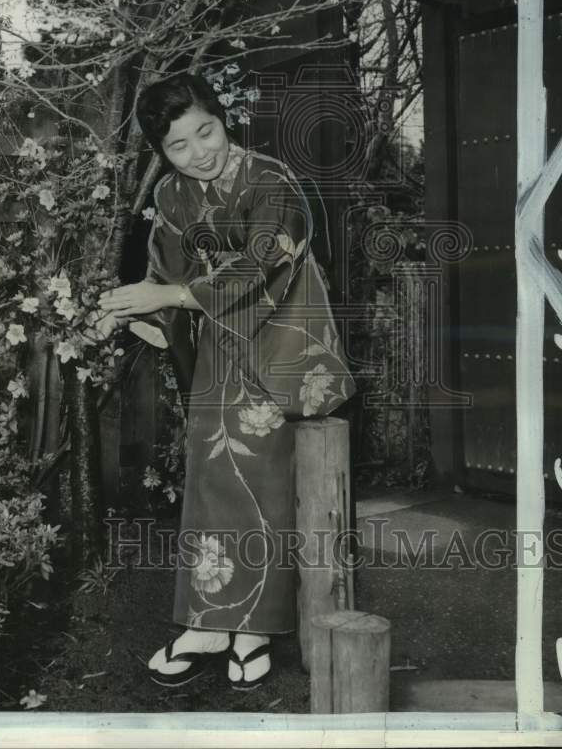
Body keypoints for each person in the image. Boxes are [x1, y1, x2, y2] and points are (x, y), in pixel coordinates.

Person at [96, 75, 356, 690]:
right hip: (220, 340)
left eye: (206, 131)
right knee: (211, 469)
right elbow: (166, 269)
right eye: (179, 146)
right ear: (162, 154)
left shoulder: (270, 180)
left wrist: (173, 294)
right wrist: (132, 307)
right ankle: (213, 620)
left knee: (262, 468)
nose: (200, 153)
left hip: (285, 330)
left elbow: (267, 261)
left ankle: (254, 627)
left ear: (223, 117)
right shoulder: (172, 194)